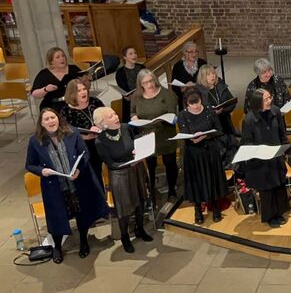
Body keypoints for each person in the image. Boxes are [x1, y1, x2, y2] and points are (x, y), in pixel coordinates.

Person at [25, 108, 109, 263]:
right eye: (46, 119)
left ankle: (83, 241)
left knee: (82, 214)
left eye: (53, 117)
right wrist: (42, 171)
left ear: (58, 119)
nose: (51, 121)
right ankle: (57, 247)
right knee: (57, 218)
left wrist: (79, 169)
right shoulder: (35, 141)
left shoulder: (72, 133)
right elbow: (30, 165)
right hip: (55, 186)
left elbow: (85, 154)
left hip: (77, 183)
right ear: (41, 123)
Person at [94, 107, 153, 253]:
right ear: (103, 123)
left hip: (136, 169)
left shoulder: (126, 128)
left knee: (140, 201)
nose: (116, 117)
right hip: (119, 175)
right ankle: (125, 236)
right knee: (124, 208)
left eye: (114, 114)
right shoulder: (100, 141)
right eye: (110, 116)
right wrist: (127, 164)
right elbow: (110, 164)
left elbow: (135, 142)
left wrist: (138, 151)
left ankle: (140, 229)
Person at [241, 89, 290, 227]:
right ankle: (270, 217)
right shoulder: (249, 119)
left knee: (279, 185)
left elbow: (282, 132)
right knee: (266, 189)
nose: (270, 101)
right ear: (258, 102)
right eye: (266, 99)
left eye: (270, 97)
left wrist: (285, 147)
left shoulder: (276, 111)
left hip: (276, 155)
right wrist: (259, 151)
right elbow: (247, 142)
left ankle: (279, 212)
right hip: (260, 160)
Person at [177, 89, 227, 224]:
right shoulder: (182, 115)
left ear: (201, 100)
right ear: (186, 103)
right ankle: (198, 210)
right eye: (192, 104)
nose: (195, 106)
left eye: (197, 102)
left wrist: (204, 136)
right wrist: (193, 138)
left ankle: (215, 208)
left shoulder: (209, 111)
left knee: (212, 179)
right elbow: (184, 132)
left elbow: (219, 130)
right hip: (193, 153)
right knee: (196, 182)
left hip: (210, 151)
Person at [131, 69, 180, 199]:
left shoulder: (167, 94)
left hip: (165, 134)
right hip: (147, 135)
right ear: (140, 84)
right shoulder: (136, 96)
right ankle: (151, 191)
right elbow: (133, 112)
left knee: (170, 163)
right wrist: (134, 117)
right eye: (145, 82)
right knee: (150, 165)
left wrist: (164, 119)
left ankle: (172, 190)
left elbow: (172, 113)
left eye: (151, 81)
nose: (149, 84)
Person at [60, 79, 106, 189]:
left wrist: (100, 127)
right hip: (83, 148)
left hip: (102, 141)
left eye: (84, 89)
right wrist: (85, 137)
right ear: (72, 94)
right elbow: (65, 134)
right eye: (79, 91)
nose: (83, 92)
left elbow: (107, 117)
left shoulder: (95, 102)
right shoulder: (66, 111)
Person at [31, 47, 87, 111]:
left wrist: (85, 81)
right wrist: (45, 89)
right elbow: (35, 94)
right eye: (58, 57)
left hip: (74, 102)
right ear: (51, 62)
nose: (62, 59)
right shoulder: (44, 74)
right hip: (53, 105)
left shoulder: (73, 69)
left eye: (63, 56)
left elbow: (87, 87)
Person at [196, 64, 236, 136]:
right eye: (208, 74)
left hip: (225, 122)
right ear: (202, 77)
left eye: (213, 73)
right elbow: (197, 110)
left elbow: (232, 102)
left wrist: (223, 110)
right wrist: (212, 112)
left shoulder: (221, 86)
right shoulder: (198, 91)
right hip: (209, 125)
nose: (212, 76)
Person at [170, 41, 207, 110]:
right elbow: (174, 86)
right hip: (185, 100)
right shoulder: (177, 66)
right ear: (184, 52)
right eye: (191, 52)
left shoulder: (202, 63)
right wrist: (182, 89)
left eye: (196, 51)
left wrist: (195, 85)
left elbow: (208, 81)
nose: (194, 54)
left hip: (202, 98)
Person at [114, 46, 146, 123]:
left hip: (144, 97)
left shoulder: (142, 67)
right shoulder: (120, 72)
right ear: (125, 57)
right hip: (130, 101)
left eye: (135, 53)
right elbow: (124, 89)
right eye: (131, 54)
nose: (134, 55)